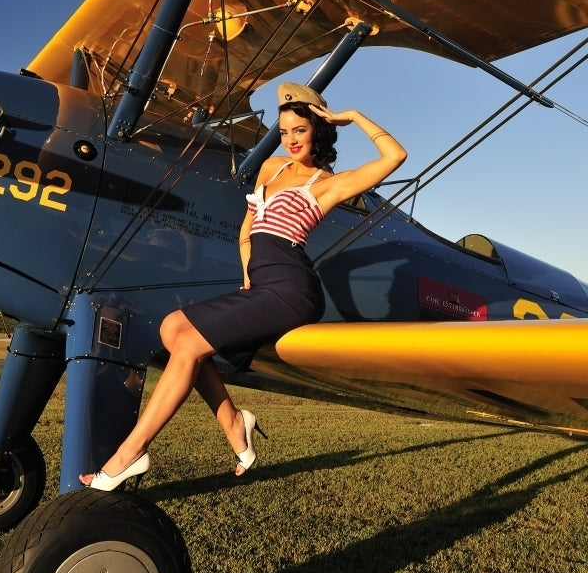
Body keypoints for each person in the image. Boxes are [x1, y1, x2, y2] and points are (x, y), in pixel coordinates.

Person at [79, 82, 407, 490]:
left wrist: (352, 115)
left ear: (319, 130)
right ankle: (235, 422)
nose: (290, 141)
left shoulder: (327, 184)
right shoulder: (273, 168)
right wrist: (248, 273)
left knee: (190, 344)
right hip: (263, 282)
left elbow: (396, 156)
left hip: (292, 288)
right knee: (172, 328)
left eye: (300, 131)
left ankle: (130, 454)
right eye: (284, 132)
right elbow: (248, 228)